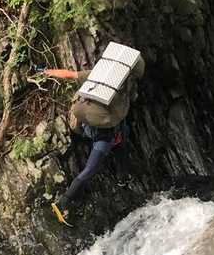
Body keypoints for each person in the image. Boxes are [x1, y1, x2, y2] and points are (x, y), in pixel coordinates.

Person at [39, 42, 144, 225]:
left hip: (83, 125)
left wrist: (47, 71)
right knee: (90, 170)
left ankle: (122, 175)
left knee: (123, 134)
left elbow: (70, 74)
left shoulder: (99, 77)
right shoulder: (124, 91)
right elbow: (121, 113)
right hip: (102, 134)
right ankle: (62, 203)